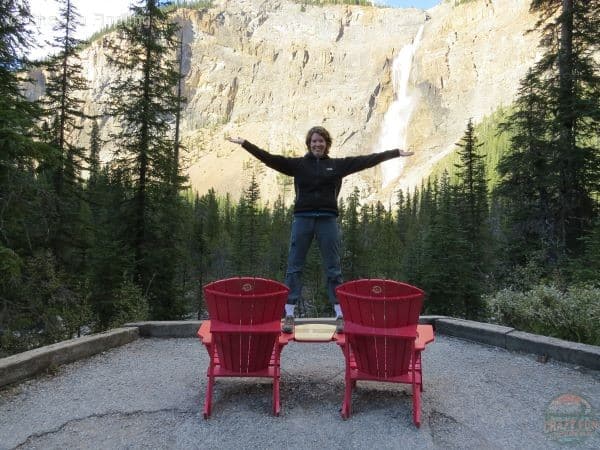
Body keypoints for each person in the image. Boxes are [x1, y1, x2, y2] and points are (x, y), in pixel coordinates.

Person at [227, 126, 413, 333]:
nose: (317, 144)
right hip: (303, 219)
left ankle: (340, 315)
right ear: (309, 144)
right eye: (314, 141)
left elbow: (366, 160)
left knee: (333, 268)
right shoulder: (297, 165)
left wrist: (395, 153)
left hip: (327, 219)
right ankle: (289, 314)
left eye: (321, 141)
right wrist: (245, 144)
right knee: (294, 267)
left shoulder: (337, 165)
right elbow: (269, 159)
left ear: (327, 144)